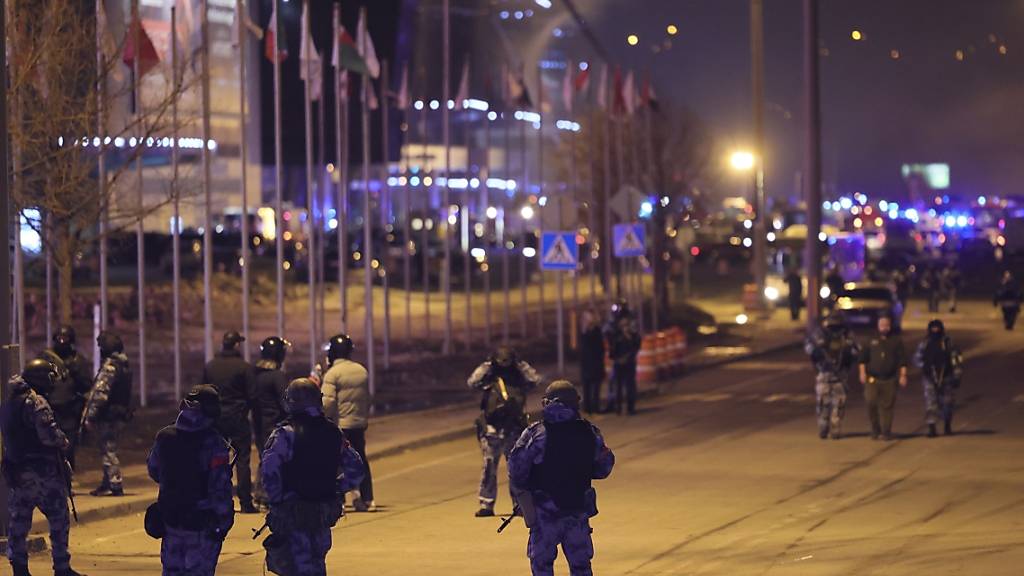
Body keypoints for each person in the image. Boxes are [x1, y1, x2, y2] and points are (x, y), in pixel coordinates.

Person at [508, 380, 615, 576]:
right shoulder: (589, 433)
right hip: (576, 513)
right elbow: (604, 468)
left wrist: (528, 489)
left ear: (546, 403)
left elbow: (516, 470)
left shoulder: (535, 434)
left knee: (542, 568)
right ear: (576, 403)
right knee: (581, 568)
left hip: (544, 514)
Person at [261, 378, 365, 576]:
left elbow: (269, 473)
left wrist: (277, 503)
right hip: (322, 514)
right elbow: (356, 470)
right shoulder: (333, 432)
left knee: (297, 568)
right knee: (317, 564)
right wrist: (334, 488)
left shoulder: (284, 434)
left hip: (294, 514)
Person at [1, 359, 85, 576]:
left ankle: (19, 567)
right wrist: (64, 442)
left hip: (18, 472)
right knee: (58, 518)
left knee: (19, 523)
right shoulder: (36, 402)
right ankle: (62, 567)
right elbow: (49, 436)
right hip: (43, 473)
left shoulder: (10, 402)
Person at [147, 385, 234, 576]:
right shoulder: (214, 443)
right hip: (201, 524)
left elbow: (154, 470)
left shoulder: (164, 437)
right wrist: (224, 522)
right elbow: (219, 489)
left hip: (171, 521)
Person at [467, 346, 542, 517]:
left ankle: (518, 504)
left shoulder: (519, 378)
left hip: (514, 429)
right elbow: (472, 382)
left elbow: (535, 380)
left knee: (515, 469)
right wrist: (487, 364)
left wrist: (520, 364)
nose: (504, 366)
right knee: (489, 467)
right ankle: (487, 504)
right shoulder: (489, 378)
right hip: (492, 429)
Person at [202, 330, 257, 513]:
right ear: (236, 345)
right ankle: (245, 501)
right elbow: (252, 395)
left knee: (217, 460)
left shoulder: (210, 367)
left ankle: (217, 499)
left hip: (215, 420)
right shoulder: (244, 367)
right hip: (238, 418)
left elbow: (201, 393)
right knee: (242, 459)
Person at [320, 334, 375, 512]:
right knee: (361, 460)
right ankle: (368, 499)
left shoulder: (332, 374)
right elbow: (367, 398)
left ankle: (339, 501)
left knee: (336, 463)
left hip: (340, 425)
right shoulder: (361, 371)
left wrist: (321, 418)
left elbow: (327, 402)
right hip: (358, 424)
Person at [82, 330, 133, 497]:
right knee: (108, 448)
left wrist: (90, 415)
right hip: (119, 414)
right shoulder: (124, 366)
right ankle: (107, 483)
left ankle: (114, 483)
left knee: (108, 450)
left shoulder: (110, 367)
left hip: (108, 416)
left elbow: (100, 394)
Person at [40, 326, 93, 469]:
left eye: (65, 339)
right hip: (49, 410)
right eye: (59, 338)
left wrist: (76, 374)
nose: (62, 342)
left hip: (70, 411)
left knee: (68, 449)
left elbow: (87, 385)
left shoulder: (77, 361)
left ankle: (67, 482)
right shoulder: (46, 358)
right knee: (48, 448)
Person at [804, 314, 860, 439]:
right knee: (823, 403)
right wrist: (818, 350)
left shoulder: (847, 336)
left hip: (840, 375)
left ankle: (835, 428)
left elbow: (856, 351)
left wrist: (848, 351)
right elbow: (809, 348)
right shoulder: (820, 335)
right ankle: (823, 427)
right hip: (824, 373)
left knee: (838, 404)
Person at [253, 336, 291, 508]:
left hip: (258, 423)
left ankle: (260, 494)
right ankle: (270, 495)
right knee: (277, 460)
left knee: (264, 457)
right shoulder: (278, 377)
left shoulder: (254, 375)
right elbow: (287, 402)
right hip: (275, 423)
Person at [858, 316, 908, 441]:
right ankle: (875, 429)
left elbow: (902, 361)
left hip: (889, 379)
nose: (884, 327)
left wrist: (903, 375)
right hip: (872, 379)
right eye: (882, 324)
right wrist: (862, 373)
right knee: (871, 402)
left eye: (886, 324)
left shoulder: (896, 341)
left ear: (890, 326)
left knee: (887, 406)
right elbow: (862, 359)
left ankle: (886, 431)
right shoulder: (870, 340)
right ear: (878, 325)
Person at [913, 320, 963, 437]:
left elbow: (956, 359)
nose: (935, 331)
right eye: (933, 329)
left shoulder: (948, 342)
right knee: (931, 403)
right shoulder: (924, 343)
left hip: (947, 377)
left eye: (937, 329)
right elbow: (916, 358)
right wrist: (925, 367)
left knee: (948, 403)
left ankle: (947, 425)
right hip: (930, 378)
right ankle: (932, 428)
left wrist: (957, 375)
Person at [604, 301, 641, 415]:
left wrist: (628, 334)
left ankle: (630, 407)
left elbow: (636, 342)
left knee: (629, 384)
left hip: (629, 359)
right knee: (617, 384)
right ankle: (617, 407)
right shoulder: (614, 327)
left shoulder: (632, 325)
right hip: (618, 360)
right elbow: (607, 333)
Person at [578, 308, 605, 415]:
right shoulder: (583, 332)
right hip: (587, 363)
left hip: (595, 362)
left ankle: (595, 406)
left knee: (596, 386)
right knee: (587, 386)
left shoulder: (596, 331)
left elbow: (600, 347)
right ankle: (588, 407)